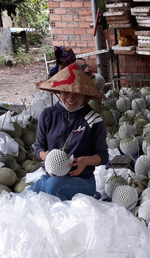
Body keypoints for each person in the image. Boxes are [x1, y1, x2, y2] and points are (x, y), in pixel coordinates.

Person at [31, 64, 108, 201]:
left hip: (82, 181)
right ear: (58, 91)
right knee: (28, 195)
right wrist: (46, 156)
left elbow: (103, 156)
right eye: (66, 92)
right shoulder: (48, 115)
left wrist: (84, 161)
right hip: (51, 177)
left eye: (77, 93)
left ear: (85, 95)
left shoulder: (93, 120)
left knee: (54, 187)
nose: (71, 98)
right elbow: (38, 147)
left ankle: (86, 195)